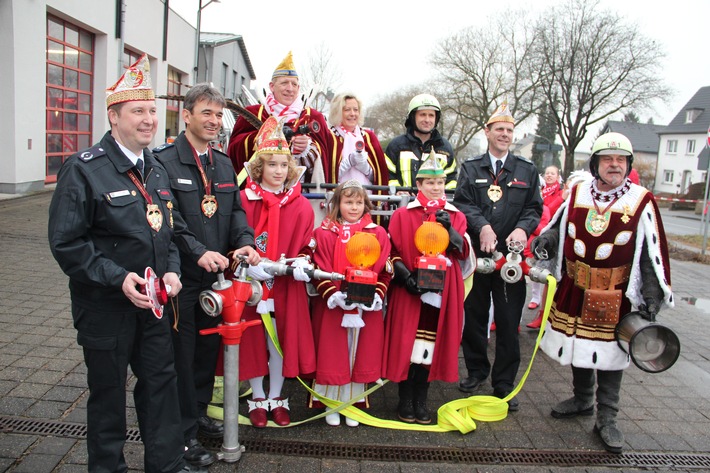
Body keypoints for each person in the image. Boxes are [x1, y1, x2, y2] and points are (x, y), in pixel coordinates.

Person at [48, 54, 223, 473]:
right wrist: (118, 277)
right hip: (106, 308)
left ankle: (164, 464)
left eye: (151, 111)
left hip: (156, 308)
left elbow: (168, 231)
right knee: (107, 395)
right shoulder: (84, 170)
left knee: (162, 386)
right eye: (138, 111)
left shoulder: (155, 169)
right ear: (114, 115)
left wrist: (173, 271)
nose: (148, 120)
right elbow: (66, 243)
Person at [531, 132, 672, 453]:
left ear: (628, 165)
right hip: (577, 287)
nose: (614, 165)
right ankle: (582, 399)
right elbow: (559, 227)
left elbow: (653, 251)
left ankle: (607, 418)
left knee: (611, 356)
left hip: (617, 294)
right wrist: (547, 242)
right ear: (595, 163)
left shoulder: (641, 199)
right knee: (580, 347)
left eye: (620, 160)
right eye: (608, 159)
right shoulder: (579, 192)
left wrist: (651, 296)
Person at [153, 83, 261, 467]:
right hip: (181, 277)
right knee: (181, 357)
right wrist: (198, 253)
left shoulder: (224, 163)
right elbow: (169, 221)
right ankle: (182, 437)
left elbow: (234, 214)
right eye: (207, 113)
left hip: (218, 281)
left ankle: (197, 414)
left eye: (219, 115)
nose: (215, 121)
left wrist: (246, 241)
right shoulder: (162, 162)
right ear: (186, 115)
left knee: (206, 354)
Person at [453, 101, 542, 411]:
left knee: (507, 322)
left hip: (512, 262)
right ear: (487, 132)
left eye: (509, 130)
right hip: (479, 258)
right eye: (499, 129)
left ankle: (504, 383)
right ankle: (476, 371)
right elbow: (463, 203)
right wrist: (483, 227)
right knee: (474, 319)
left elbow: (534, 208)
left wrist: (523, 229)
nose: (504, 134)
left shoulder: (526, 170)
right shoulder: (470, 167)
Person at [237, 116, 317, 428]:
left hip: (286, 286)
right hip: (252, 285)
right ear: (260, 168)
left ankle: (278, 396)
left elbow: (309, 243)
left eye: (284, 165)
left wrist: (301, 261)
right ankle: (257, 397)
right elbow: (234, 238)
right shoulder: (243, 200)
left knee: (281, 341)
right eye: (272, 165)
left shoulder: (301, 206)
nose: (279, 171)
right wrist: (247, 264)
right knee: (254, 340)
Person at [383, 151, 472, 424]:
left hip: (443, 292)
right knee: (407, 343)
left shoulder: (455, 215)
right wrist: (405, 277)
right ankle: (404, 399)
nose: (436, 188)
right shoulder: (402, 214)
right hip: (411, 290)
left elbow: (464, 253)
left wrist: (452, 232)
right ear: (419, 185)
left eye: (440, 183)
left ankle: (421, 399)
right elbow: (392, 250)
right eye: (430, 183)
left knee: (431, 346)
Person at [310, 180, 392, 426]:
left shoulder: (377, 233)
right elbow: (318, 267)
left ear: (366, 204)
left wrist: (377, 294)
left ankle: (353, 404)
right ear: (338, 204)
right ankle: (331, 404)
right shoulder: (323, 232)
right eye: (348, 202)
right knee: (332, 354)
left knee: (358, 354)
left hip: (366, 308)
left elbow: (385, 269)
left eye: (358, 202)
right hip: (333, 306)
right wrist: (333, 295)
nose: (354, 207)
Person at [226, 51, 330, 185]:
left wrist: (309, 148)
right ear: (271, 86)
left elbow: (327, 156)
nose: (290, 89)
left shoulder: (313, 117)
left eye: (294, 84)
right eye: (284, 83)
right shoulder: (254, 113)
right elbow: (234, 150)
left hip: (303, 194)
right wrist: (258, 140)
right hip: (259, 193)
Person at [385, 94, 457, 191]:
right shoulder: (396, 146)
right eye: (422, 115)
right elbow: (387, 176)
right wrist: (399, 192)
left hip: (435, 205)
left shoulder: (445, 147)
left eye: (431, 115)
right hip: (404, 204)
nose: (427, 120)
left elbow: (451, 180)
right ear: (412, 117)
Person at [525, 165, 565, 329]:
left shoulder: (562, 195)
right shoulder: (541, 191)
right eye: (547, 173)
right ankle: (539, 308)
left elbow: (551, 213)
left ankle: (551, 319)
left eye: (552, 173)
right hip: (542, 238)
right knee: (539, 273)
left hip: (553, 238)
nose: (549, 176)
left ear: (558, 176)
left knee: (556, 282)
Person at [327, 93, 389, 187]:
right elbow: (327, 177)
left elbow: (380, 177)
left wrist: (365, 168)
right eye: (347, 110)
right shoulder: (329, 137)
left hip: (366, 198)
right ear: (337, 112)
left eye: (356, 110)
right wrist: (349, 162)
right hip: (338, 198)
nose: (352, 114)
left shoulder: (369, 137)